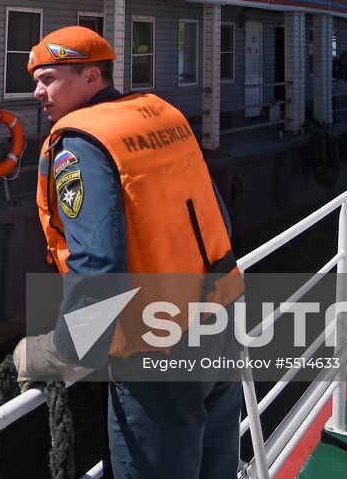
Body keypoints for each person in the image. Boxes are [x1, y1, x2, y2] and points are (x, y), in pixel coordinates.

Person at [14, 26, 243, 479]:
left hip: (157, 343)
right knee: (215, 465)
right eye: (37, 81)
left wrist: (65, 349)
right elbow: (216, 213)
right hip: (219, 317)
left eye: (49, 79)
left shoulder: (79, 143)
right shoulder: (161, 115)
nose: (38, 92)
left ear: (91, 76)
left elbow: (97, 262)